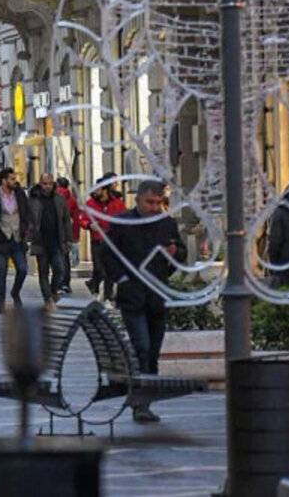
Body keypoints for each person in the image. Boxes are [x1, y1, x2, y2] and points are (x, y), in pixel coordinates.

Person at [106, 178, 182, 423]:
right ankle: (140, 403)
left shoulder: (167, 223)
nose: (154, 207)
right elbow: (107, 254)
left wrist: (174, 255)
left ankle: (145, 402)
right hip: (133, 297)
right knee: (142, 347)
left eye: (159, 202)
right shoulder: (123, 223)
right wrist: (123, 278)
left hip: (157, 296)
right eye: (150, 202)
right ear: (138, 199)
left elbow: (180, 254)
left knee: (152, 353)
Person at [0, 168, 32, 313]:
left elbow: (26, 212)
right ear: (3, 181)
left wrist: (26, 226)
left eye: (15, 178)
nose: (15, 181)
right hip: (0, 239)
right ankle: (1, 303)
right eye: (12, 179)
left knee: (22, 269)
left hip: (17, 238)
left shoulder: (20, 194)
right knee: (1, 271)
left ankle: (15, 292)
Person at [28, 173, 72, 308]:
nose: (47, 186)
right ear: (40, 184)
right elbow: (28, 219)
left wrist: (68, 239)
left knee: (60, 270)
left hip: (56, 241)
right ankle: (47, 298)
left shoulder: (59, 199)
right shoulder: (33, 200)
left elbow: (66, 219)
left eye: (50, 184)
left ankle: (53, 291)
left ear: (54, 184)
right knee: (43, 272)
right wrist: (29, 234)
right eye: (44, 184)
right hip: (40, 241)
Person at [83, 176, 126, 301]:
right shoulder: (90, 203)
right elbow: (83, 218)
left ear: (105, 190)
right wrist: (89, 225)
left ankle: (106, 296)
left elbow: (125, 217)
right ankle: (100, 291)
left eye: (98, 189)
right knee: (99, 268)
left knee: (109, 271)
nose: (95, 191)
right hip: (97, 241)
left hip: (113, 242)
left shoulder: (117, 203)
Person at [57, 176, 80, 295]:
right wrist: (75, 236)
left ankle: (58, 282)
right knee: (65, 258)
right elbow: (76, 220)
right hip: (67, 233)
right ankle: (65, 283)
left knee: (56, 257)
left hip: (55, 233)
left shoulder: (54, 198)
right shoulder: (72, 200)